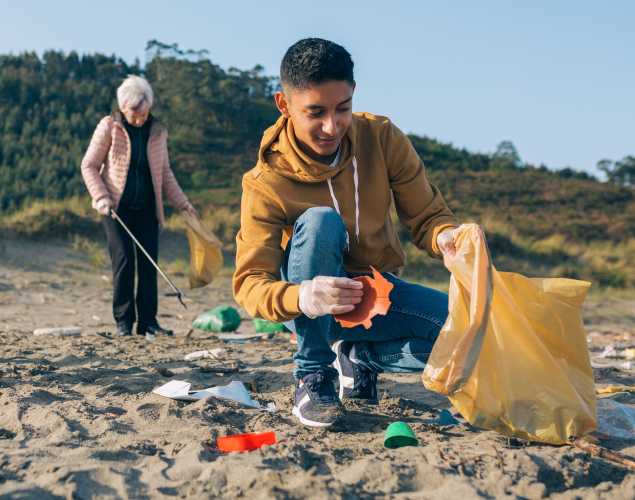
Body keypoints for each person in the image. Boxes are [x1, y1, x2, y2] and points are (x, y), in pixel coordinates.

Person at [233, 38, 460, 428]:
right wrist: (303, 295)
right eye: (315, 112)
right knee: (320, 221)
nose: (331, 126)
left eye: (343, 109)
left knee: (469, 337)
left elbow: (427, 216)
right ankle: (313, 374)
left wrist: (447, 237)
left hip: (377, 294)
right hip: (308, 304)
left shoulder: (382, 137)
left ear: (354, 95)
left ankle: (359, 357)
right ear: (284, 105)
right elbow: (250, 285)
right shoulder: (265, 182)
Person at [81, 75, 197, 340]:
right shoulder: (109, 126)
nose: (139, 119)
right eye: (134, 114)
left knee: (148, 264)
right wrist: (101, 198)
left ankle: (148, 322)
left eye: (143, 113)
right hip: (115, 208)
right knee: (124, 261)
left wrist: (183, 204)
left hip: (147, 209)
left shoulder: (157, 131)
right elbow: (88, 165)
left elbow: (165, 173)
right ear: (123, 107)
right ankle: (124, 322)